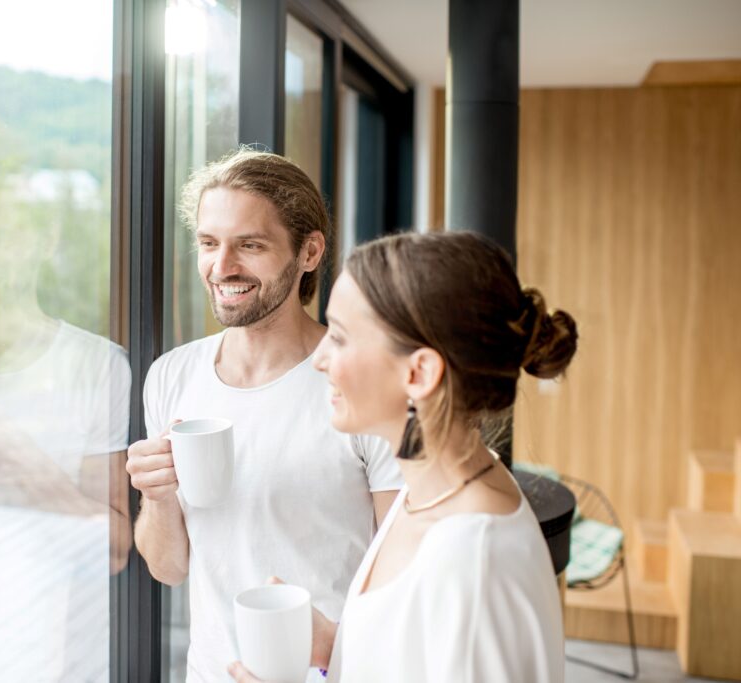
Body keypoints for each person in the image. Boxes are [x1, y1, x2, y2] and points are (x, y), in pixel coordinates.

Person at [228, 230, 577, 682]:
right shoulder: (431, 490)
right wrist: (335, 645)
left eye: (341, 337)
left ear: (419, 372)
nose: (319, 359)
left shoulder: (474, 561)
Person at [126, 149, 403, 682]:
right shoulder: (170, 376)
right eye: (209, 243)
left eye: (249, 245)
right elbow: (170, 567)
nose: (222, 267)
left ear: (309, 252)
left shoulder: (357, 383)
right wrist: (156, 497)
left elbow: (401, 578)